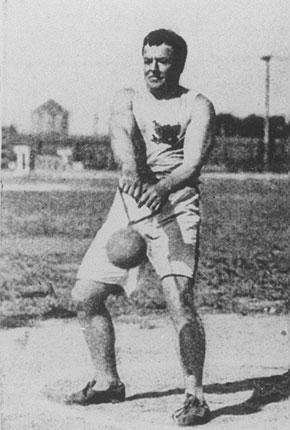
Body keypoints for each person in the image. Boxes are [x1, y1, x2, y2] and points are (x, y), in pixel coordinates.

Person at [66, 29, 216, 426]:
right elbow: (121, 135)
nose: (153, 67)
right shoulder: (128, 98)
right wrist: (130, 169)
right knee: (84, 295)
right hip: (130, 204)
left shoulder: (197, 105)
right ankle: (107, 382)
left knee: (180, 300)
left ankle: (194, 396)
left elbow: (193, 164)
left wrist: (162, 187)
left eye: (162, 60)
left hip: (176, 207)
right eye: (147, 59)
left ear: (178, 63)